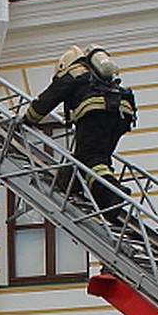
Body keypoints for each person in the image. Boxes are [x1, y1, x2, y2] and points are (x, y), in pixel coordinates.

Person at [23, 44, 136, 214]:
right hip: (121, 114)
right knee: (97, 160)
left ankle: (110, 195)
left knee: (91, 158)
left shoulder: (74, 71)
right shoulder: (98, 76)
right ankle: (100, 192)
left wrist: (28, 119)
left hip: (96, 113)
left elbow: (49, 98)